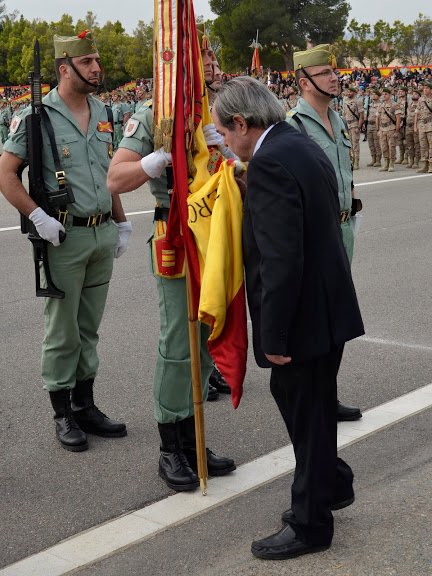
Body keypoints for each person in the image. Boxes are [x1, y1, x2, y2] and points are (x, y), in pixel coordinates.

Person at [212, 76, 364, 560]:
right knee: (311, 408)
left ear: (242, 123)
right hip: (326, 306)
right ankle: (331, 482)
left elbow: (280, 258)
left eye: (226, 132)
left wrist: (273, 333)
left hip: (301, 317)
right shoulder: (297, 144)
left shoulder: (271, 162)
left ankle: (310, 524)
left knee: (307, 413)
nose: (226, 143)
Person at [107, 26, 236, 492]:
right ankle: (171, 446)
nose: (211, 67)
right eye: (203, 60)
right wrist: (154, 161)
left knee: (204, 341)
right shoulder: (153, 115)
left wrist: (226, 152)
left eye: (212, 59)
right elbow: (115, 178)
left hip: (213, 237)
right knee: (178, 343)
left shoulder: (213, 114)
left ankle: (193, 438)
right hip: (176, 237)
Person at [0, 31, 132, 452]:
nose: (97, 68)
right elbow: (6, 173)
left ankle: (85, 405)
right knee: (62, 331)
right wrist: (36, 216)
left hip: (101, 232)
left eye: (97, 60)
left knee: (88, 328)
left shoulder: (103, 110)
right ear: (64, 68)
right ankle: (62, 413)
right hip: (63, 236)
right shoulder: (36, 115)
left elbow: (109, 173)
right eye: (88, 61)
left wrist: (121, 222)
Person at [286, 44, 362, 423]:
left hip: (344, 228)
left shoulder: (339, 119)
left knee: (340, 318)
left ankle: (327, 396)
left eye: (334, 72)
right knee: (316, 320)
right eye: (326, 73)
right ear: (304, 82)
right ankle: (313, 401)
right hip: (315, 234)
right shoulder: (293, 126)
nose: (335, 78)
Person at [377, 87, 401, 173]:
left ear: (390, 95)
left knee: (391, 147)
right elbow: (379, 118)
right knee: (383, 147)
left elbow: (398, 119)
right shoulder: (381, 105)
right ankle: (386, 163)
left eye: (386, 94)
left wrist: (397, 131)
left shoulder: (395, 105)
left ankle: (391, 164)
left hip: (391, 128)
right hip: (383, 129)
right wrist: (379, 129)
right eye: (383, 94)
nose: (384, 95)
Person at [342, 86, 364, 169]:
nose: (348, 93)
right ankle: (351, 161)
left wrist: (359, 127)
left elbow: (361, 116)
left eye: (350, 92)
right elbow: (344, 115)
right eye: (347, 92)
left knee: (355, 144)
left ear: (354, 93)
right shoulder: (345, 102)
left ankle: (356, 162)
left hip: (355, 124)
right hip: (347, 125)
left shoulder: (358, 101)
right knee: (348, 144)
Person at [414, 82, 432, 173]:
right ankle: (425, 165)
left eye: (427, 88)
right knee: (423, 146)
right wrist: (415, 125)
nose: (425, 90)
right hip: (421, 125)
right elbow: (417, 112)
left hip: (430, 125)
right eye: (424, 88)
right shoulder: (421, 99)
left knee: (431, 146)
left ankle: (431, 165)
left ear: (431, 90)